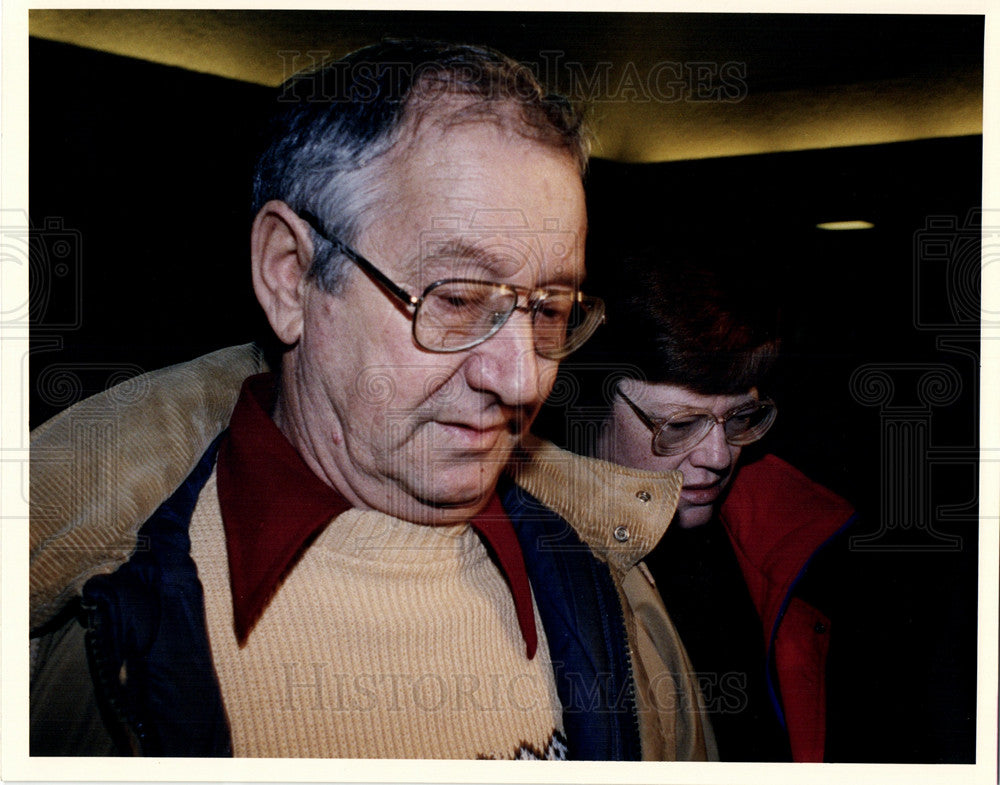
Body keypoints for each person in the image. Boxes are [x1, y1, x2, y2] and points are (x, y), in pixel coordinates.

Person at [28, 39, 715, 760]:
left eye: (549, 309)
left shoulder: (615, 587)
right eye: (455, 298)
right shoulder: (98, 613)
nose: (521, 380)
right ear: (291, 276)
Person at [536, 250, 856, 762]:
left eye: (739, 418)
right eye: (679, 426)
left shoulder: (783, 533)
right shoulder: (542, 565)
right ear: (594, 402)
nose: (719, 456)